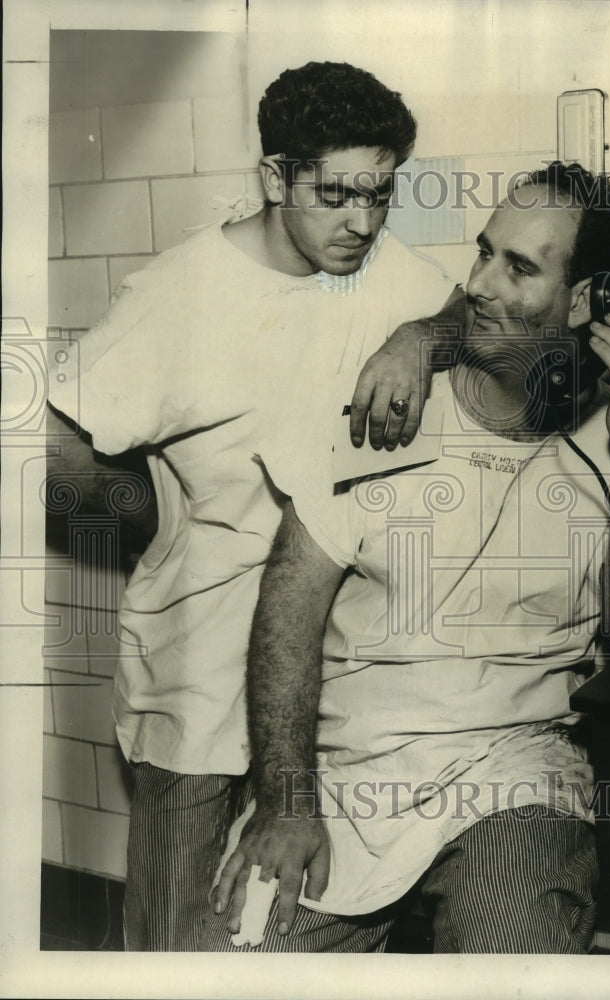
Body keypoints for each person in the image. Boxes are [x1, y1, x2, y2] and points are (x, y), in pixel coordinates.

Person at [205, 162, 610, 953]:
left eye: (520, 267)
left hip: (514, 771)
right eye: (484, 253)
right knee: (234, 961)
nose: (479, 283)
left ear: (585, 302)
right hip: (347, 767)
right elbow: (287, 612)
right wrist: (286, 802)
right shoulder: (388, 405)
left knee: (513, 947)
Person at [46, 61, 458, 951]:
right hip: (197, 677)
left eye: (381, 195)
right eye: (336, 193)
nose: (361, 221)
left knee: (277, 934)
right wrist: (158, 520)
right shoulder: (176, 293)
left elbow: (470, 314)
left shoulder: (384, 270)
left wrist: (420, 338)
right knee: (176, 939)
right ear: (276, 178)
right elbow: (44, 445)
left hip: (331, 686)